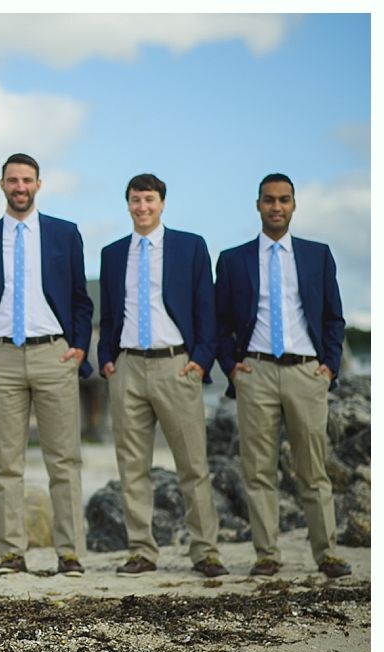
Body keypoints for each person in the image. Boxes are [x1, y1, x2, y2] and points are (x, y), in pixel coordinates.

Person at [0, 153, 93, 577]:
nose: (20, 187)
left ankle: (69, 552)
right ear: (2, 184)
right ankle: (11, 553)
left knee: (64, 459)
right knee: (5, 462)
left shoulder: (64, 234)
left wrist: (78, 347)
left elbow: (79, 299)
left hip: (53, 354)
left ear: (39, 184)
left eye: (27, 180)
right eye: (13, 180)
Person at [214, 173, 350, 579]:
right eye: (269, 200)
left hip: (306, 372)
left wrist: (328, 366)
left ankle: (326, 554)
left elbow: (333, 318)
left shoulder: (317, 255)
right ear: (258, 205)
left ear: (294, 205)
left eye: (284, 200)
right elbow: (221, 322)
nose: (276, 207)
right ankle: (267, 555)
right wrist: (232, 367)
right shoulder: (234, 259)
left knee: (313, 468)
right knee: (258, 469)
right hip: (255, 372)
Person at [98, 174, 228, 578]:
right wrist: (107, 357)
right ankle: (141, 551)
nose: (142, 207)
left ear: (162, 203)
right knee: (132, 465)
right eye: (136, 200)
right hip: (128, 368)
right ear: (128, 204)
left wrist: (202, 359)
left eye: (149, 200)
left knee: (193, 464)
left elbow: (207, 307)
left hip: (177, 365)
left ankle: (205, 551)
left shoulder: (190, 247)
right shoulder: (113, 252)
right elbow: (109, 311)